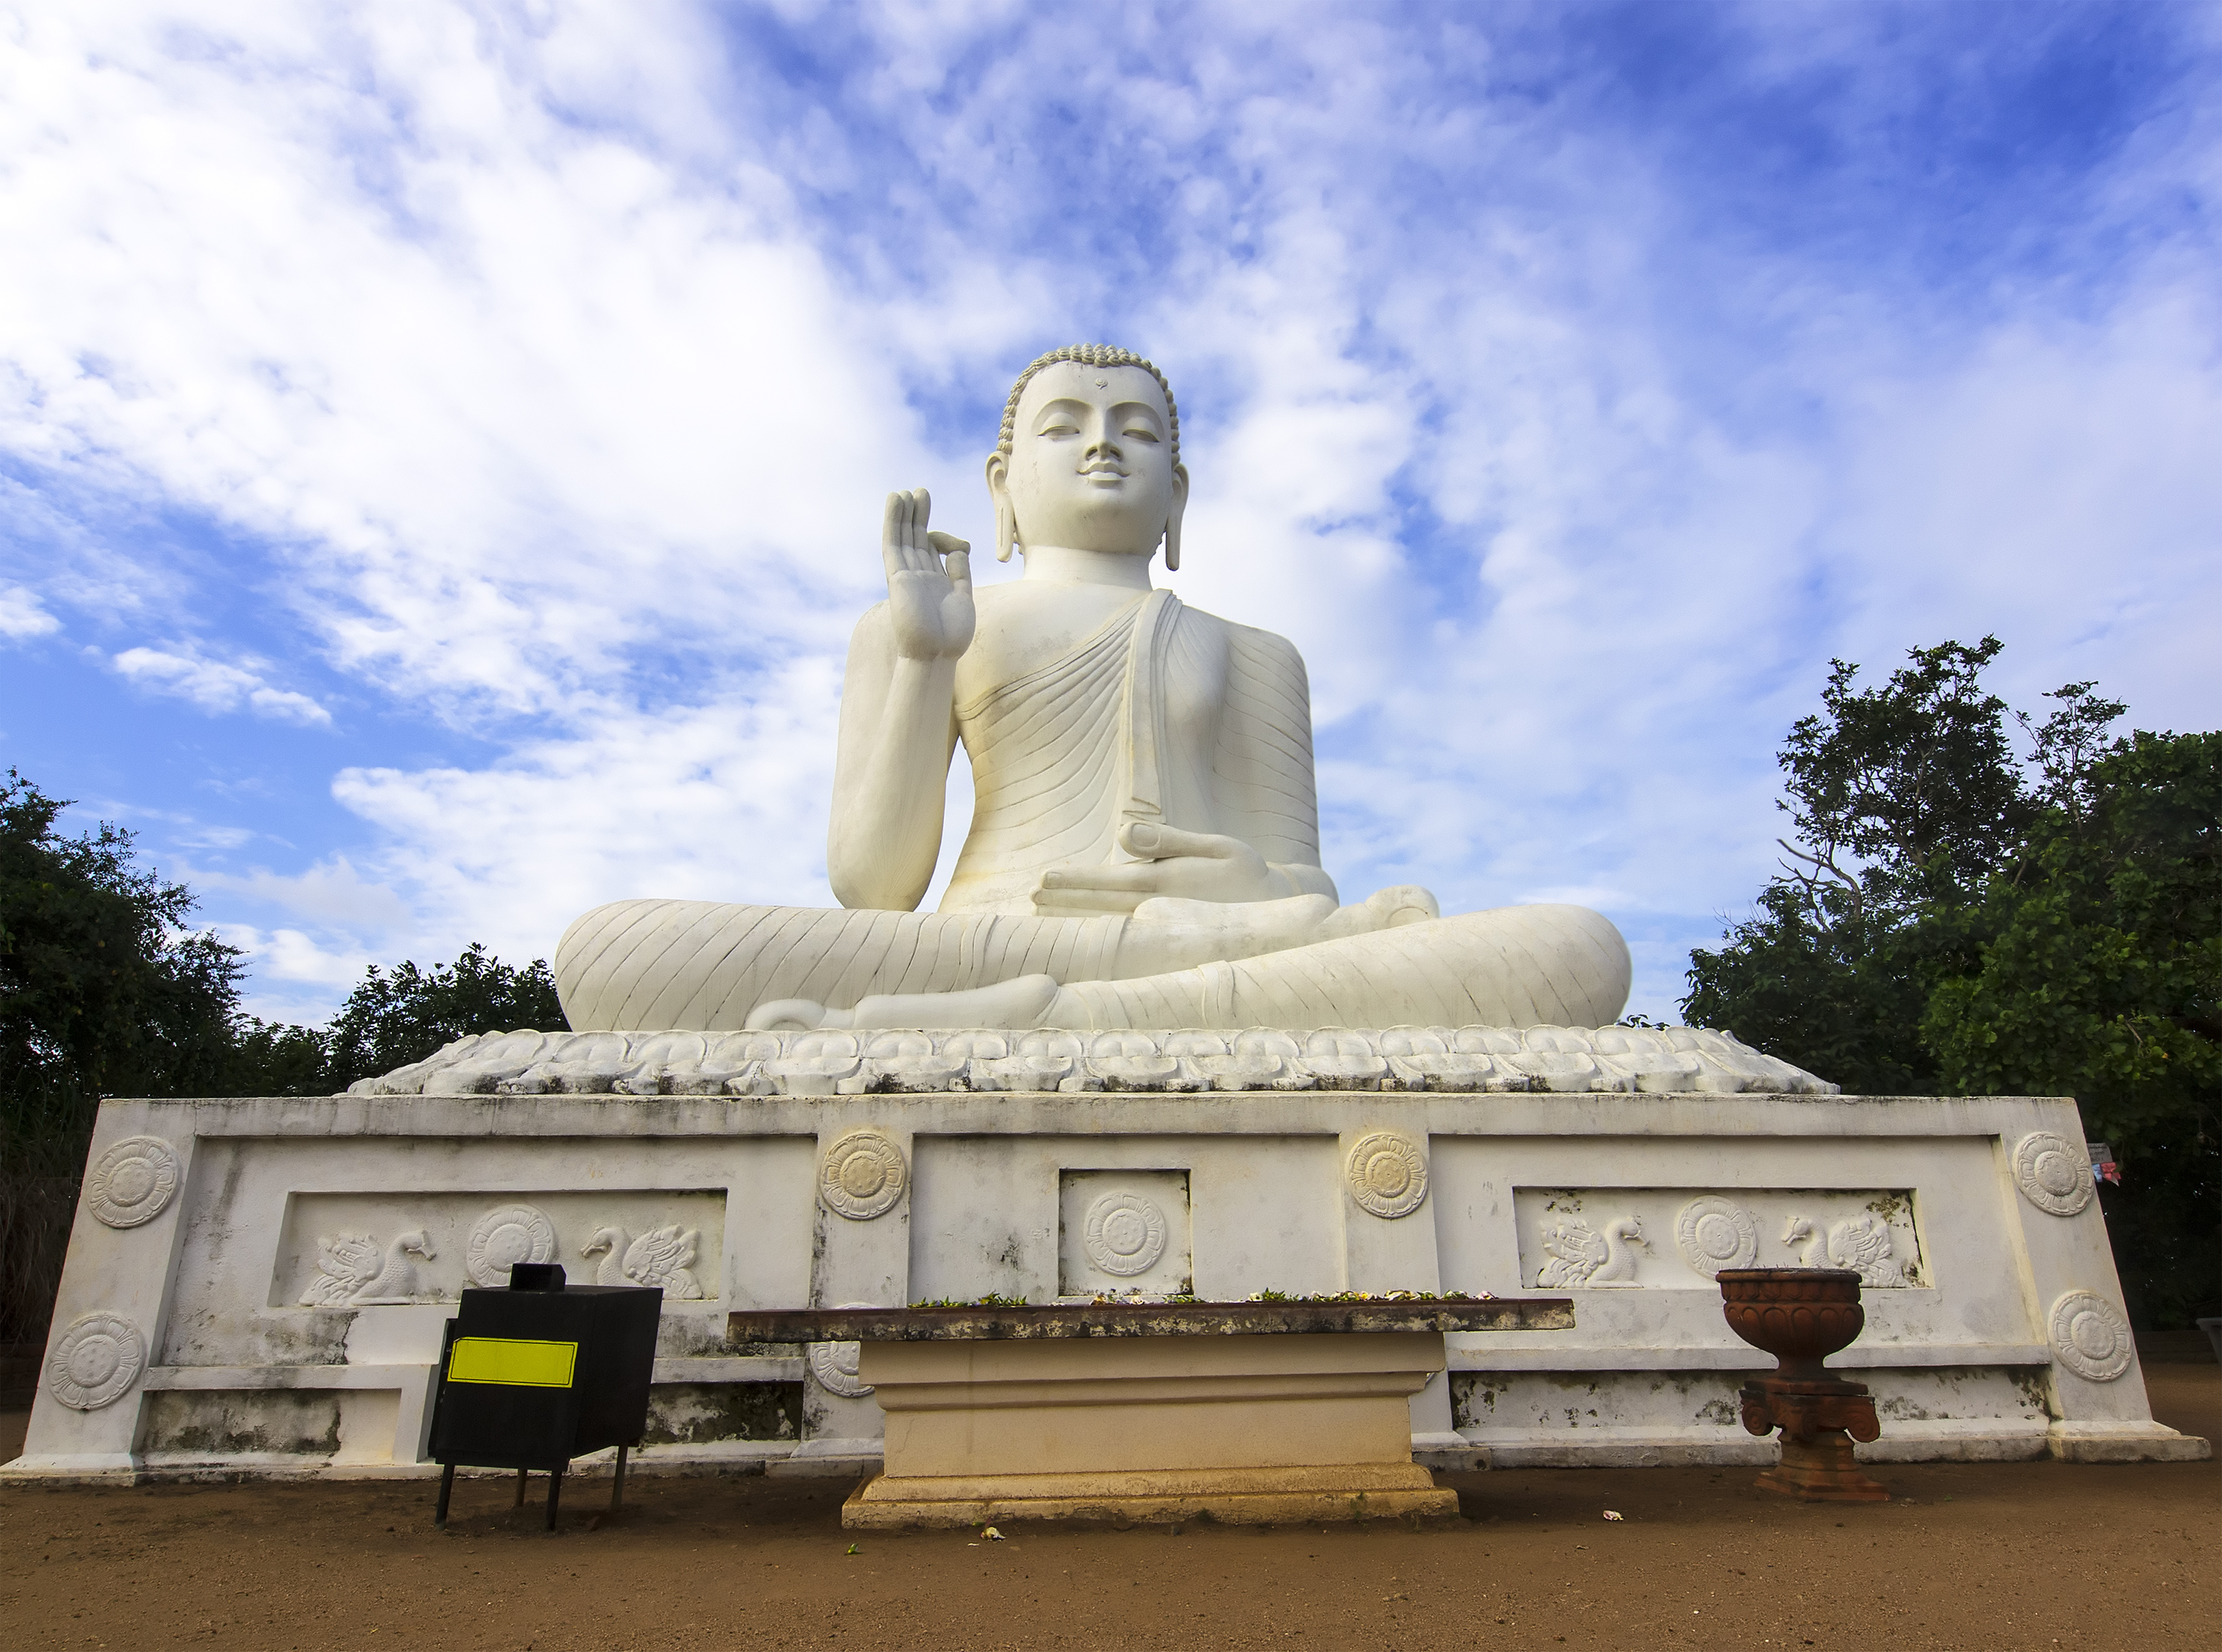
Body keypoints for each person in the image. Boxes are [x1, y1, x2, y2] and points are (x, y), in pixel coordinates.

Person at [554, 345, 1630, 1032]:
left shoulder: (1255, 651)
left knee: (1576, 950)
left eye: (1139, 429)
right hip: (983, 942)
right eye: (1064, 425)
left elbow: (1307, 900)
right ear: (1002, 481)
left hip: (1213, 946)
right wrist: (928, 661)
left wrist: (1238, 882)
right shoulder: (909, 629)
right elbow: (873, 890)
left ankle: (1024, 1020)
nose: (1105, 444)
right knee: (611, 952)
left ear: (1179, 491)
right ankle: (1048, 1007)